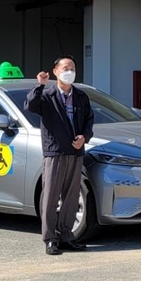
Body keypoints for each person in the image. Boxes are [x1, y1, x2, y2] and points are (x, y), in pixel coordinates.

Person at [25, 57, 94, 255]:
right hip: (55, 152)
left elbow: (89, 120)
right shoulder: (47, 95)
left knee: (71, 196)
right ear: (55, 71)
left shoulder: (81, 96)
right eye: (65, 68)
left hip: (75, 152)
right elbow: (30, 106)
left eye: (72, 68)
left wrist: (84, 137)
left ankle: (66, 235)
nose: (69, 71)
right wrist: (39, 85)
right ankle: (50, 239)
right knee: (50, 196)